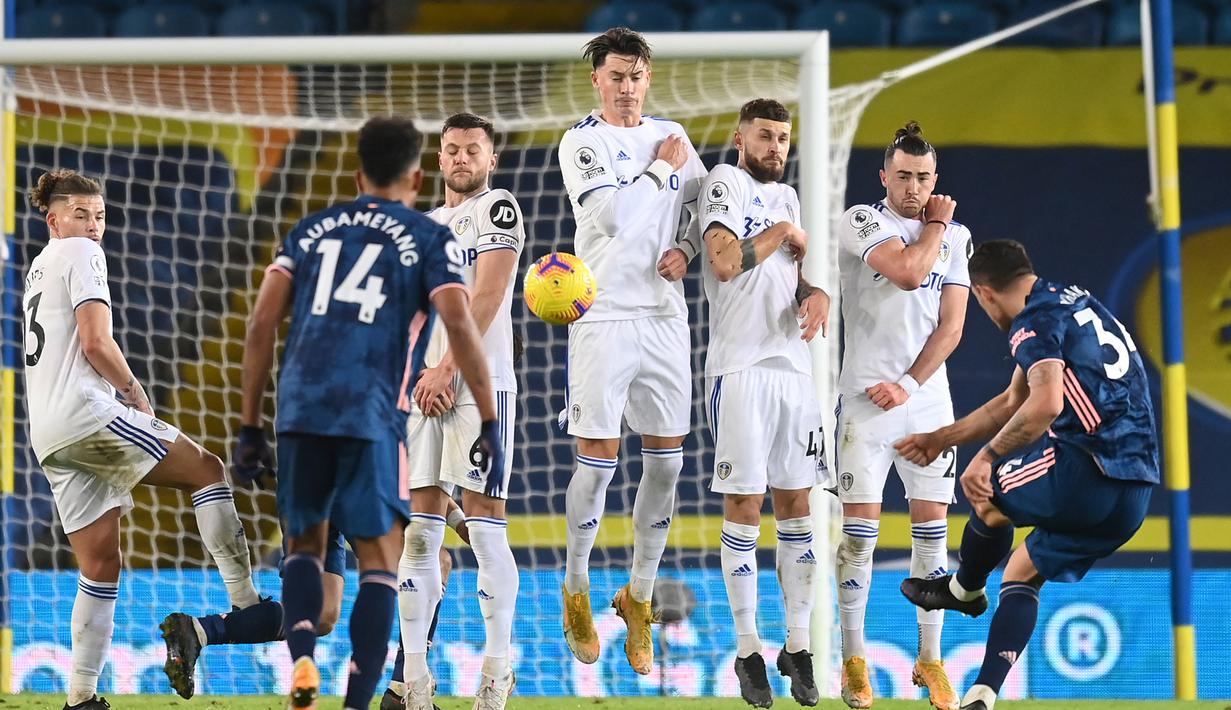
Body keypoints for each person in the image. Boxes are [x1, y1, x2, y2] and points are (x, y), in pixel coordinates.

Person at [236, 116, 503, 710]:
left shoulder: (310, 230)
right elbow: (459, 326)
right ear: (417, 174)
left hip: (300, 409)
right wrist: (488, 419)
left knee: (305, 548)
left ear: (357, 174)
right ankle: (357, 700)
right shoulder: (429, 238)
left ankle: (303, 660)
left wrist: (251, 424)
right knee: (384, 563)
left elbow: (259, 326)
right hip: (371, 413)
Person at [20, 170, 262, 710]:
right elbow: (95, 339)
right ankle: (246, 603)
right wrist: (132, 389)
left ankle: (81, 696)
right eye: (80, 214)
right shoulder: (80, 255)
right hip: (87, 413)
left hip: (49, 433)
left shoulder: (38, 268)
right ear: (53, 219)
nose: (92, 225)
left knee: (100, 564)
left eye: (99, 215)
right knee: (208, 470)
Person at [896, 240, 1158, 710]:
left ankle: (962, 590)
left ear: (983, 294)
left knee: (986, 489)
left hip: (1087, 470)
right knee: (1022, 571)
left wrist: (986, 456)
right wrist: (943, 438)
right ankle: (983, 695)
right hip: (1136, 493)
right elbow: (1014, 400)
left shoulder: (1030, 324)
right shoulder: (1073, 300)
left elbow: (1046, 403)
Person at [556, 26, 708, 676]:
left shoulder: (673, 134)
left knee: (668, 466)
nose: (626, 88)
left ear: (649, 78)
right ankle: (574, 587)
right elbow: (614, 218)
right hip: (602, 316)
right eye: (615, 76)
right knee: (597, 465)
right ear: (596, 78)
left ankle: (638, 597)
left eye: (636, 76)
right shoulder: (581, 140)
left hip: (663, 318)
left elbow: (704, 207)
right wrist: (660, 167)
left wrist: (690, 248)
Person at [698, 98, 829, 708]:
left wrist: (817, 291)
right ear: (740, 138)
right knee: (745, 503)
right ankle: (749, 648)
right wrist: (783, 235)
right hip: (740, 367)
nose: (776, 147)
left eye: (783, 138)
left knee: (798, 502)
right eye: (765, 136)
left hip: (792, 369)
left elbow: (787, 272)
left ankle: (797, 644)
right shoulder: (724, 184)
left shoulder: (790, 198)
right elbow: (725, 263)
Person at [834, 121, 970, 710]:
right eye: (904, 176)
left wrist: (910, 384)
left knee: (932, 537)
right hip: (864, 402)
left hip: (926, 402)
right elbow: (911, 271)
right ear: (883, 176)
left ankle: (931, 662)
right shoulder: (862, 221)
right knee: (859, 539)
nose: (913, 188)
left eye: (923, 178)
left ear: (935, 179)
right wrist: (934, 223)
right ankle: (854, 661)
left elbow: (953, 326)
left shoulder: (957, 236)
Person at [396, 111, 525, 710]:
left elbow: (491, 292)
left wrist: (448, 366)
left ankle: (496, 672)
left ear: (490, 160)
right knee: (419, 535)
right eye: (451, 150)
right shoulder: (423, 226)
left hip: (479, 384)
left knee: (482, 523)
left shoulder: (497, 208)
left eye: (473, 150)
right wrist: (421, 377)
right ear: (438, 159)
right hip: (427, 391)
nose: (461, 159)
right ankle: (415, 679)